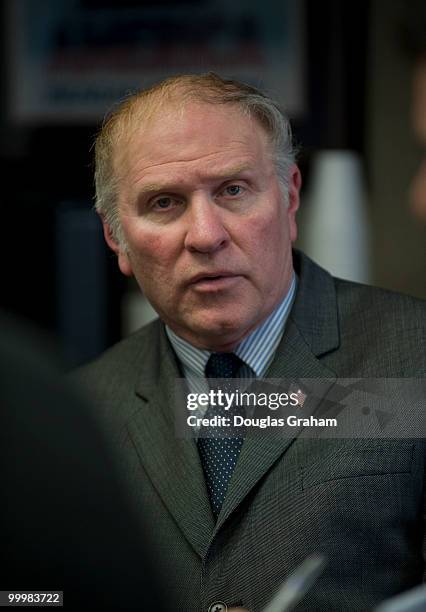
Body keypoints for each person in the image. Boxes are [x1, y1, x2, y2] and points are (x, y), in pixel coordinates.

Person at [76, 73, 426, 612]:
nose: (206, 235)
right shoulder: (82, 411)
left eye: (233, 190)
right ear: (115, 236)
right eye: (165, 203)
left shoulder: (413, 358)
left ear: (289, 200)